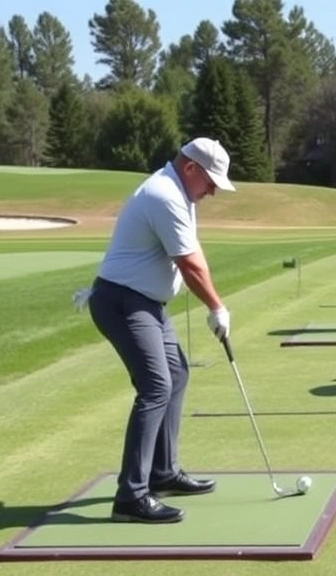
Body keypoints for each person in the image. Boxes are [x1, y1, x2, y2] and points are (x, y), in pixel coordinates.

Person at [80, 137, 235, 523]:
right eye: (211, 181)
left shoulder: (180, 193)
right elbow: (189, 265)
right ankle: (131, 497)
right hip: (121, 301)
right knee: (155, 386)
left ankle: (162, 472)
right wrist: (216, 307)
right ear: (190, 168)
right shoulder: (164, 194)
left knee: (177, 374)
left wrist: (216, 304)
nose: (213, 190)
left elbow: (194, 255)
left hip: (145, 302)